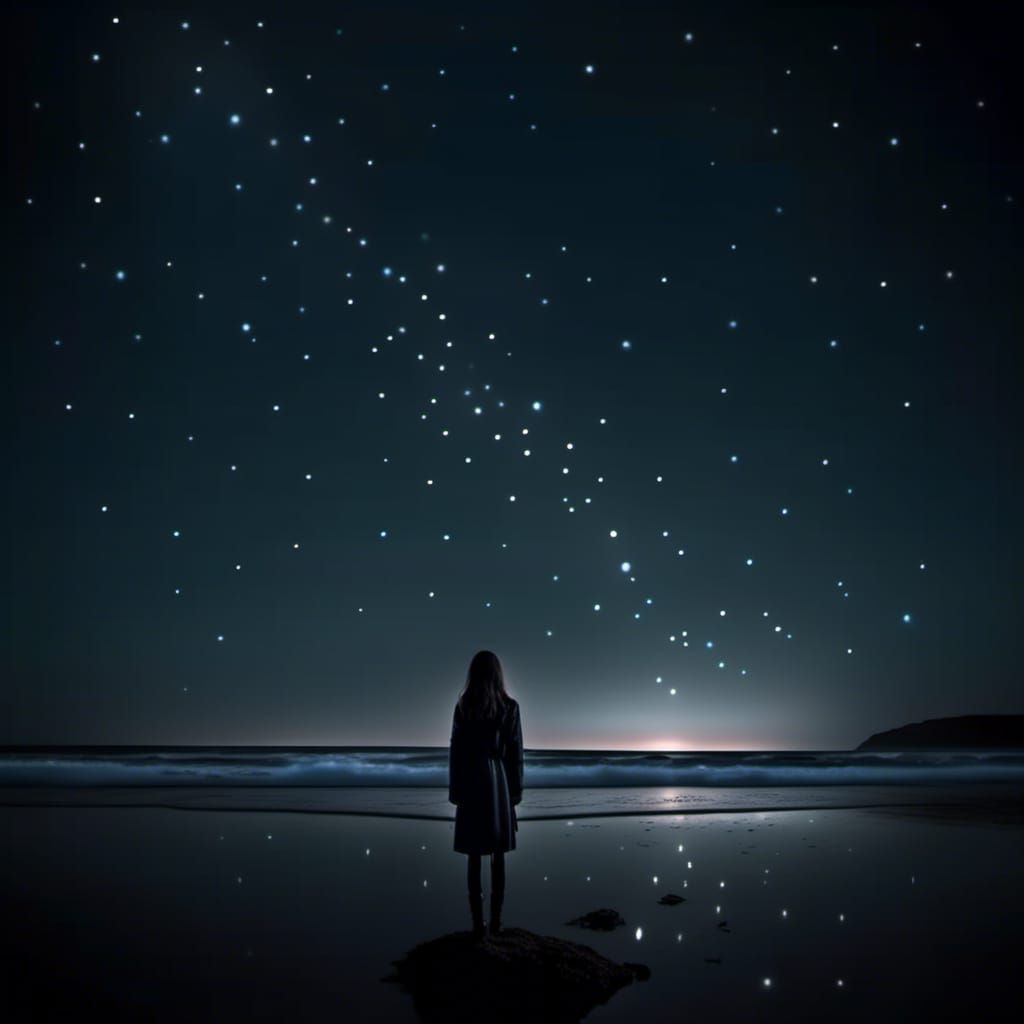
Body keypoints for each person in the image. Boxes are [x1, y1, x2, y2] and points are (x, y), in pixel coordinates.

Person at [448, 650, 524, 940]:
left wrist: (455, 788)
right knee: (498, 851)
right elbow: (516, 752)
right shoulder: (510, 706)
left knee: (474, 852)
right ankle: (496, 922)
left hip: (470, 778)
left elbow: (456, 750)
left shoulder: (464, 705)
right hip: (497, 780)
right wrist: (515, 790)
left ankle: (477, 924)